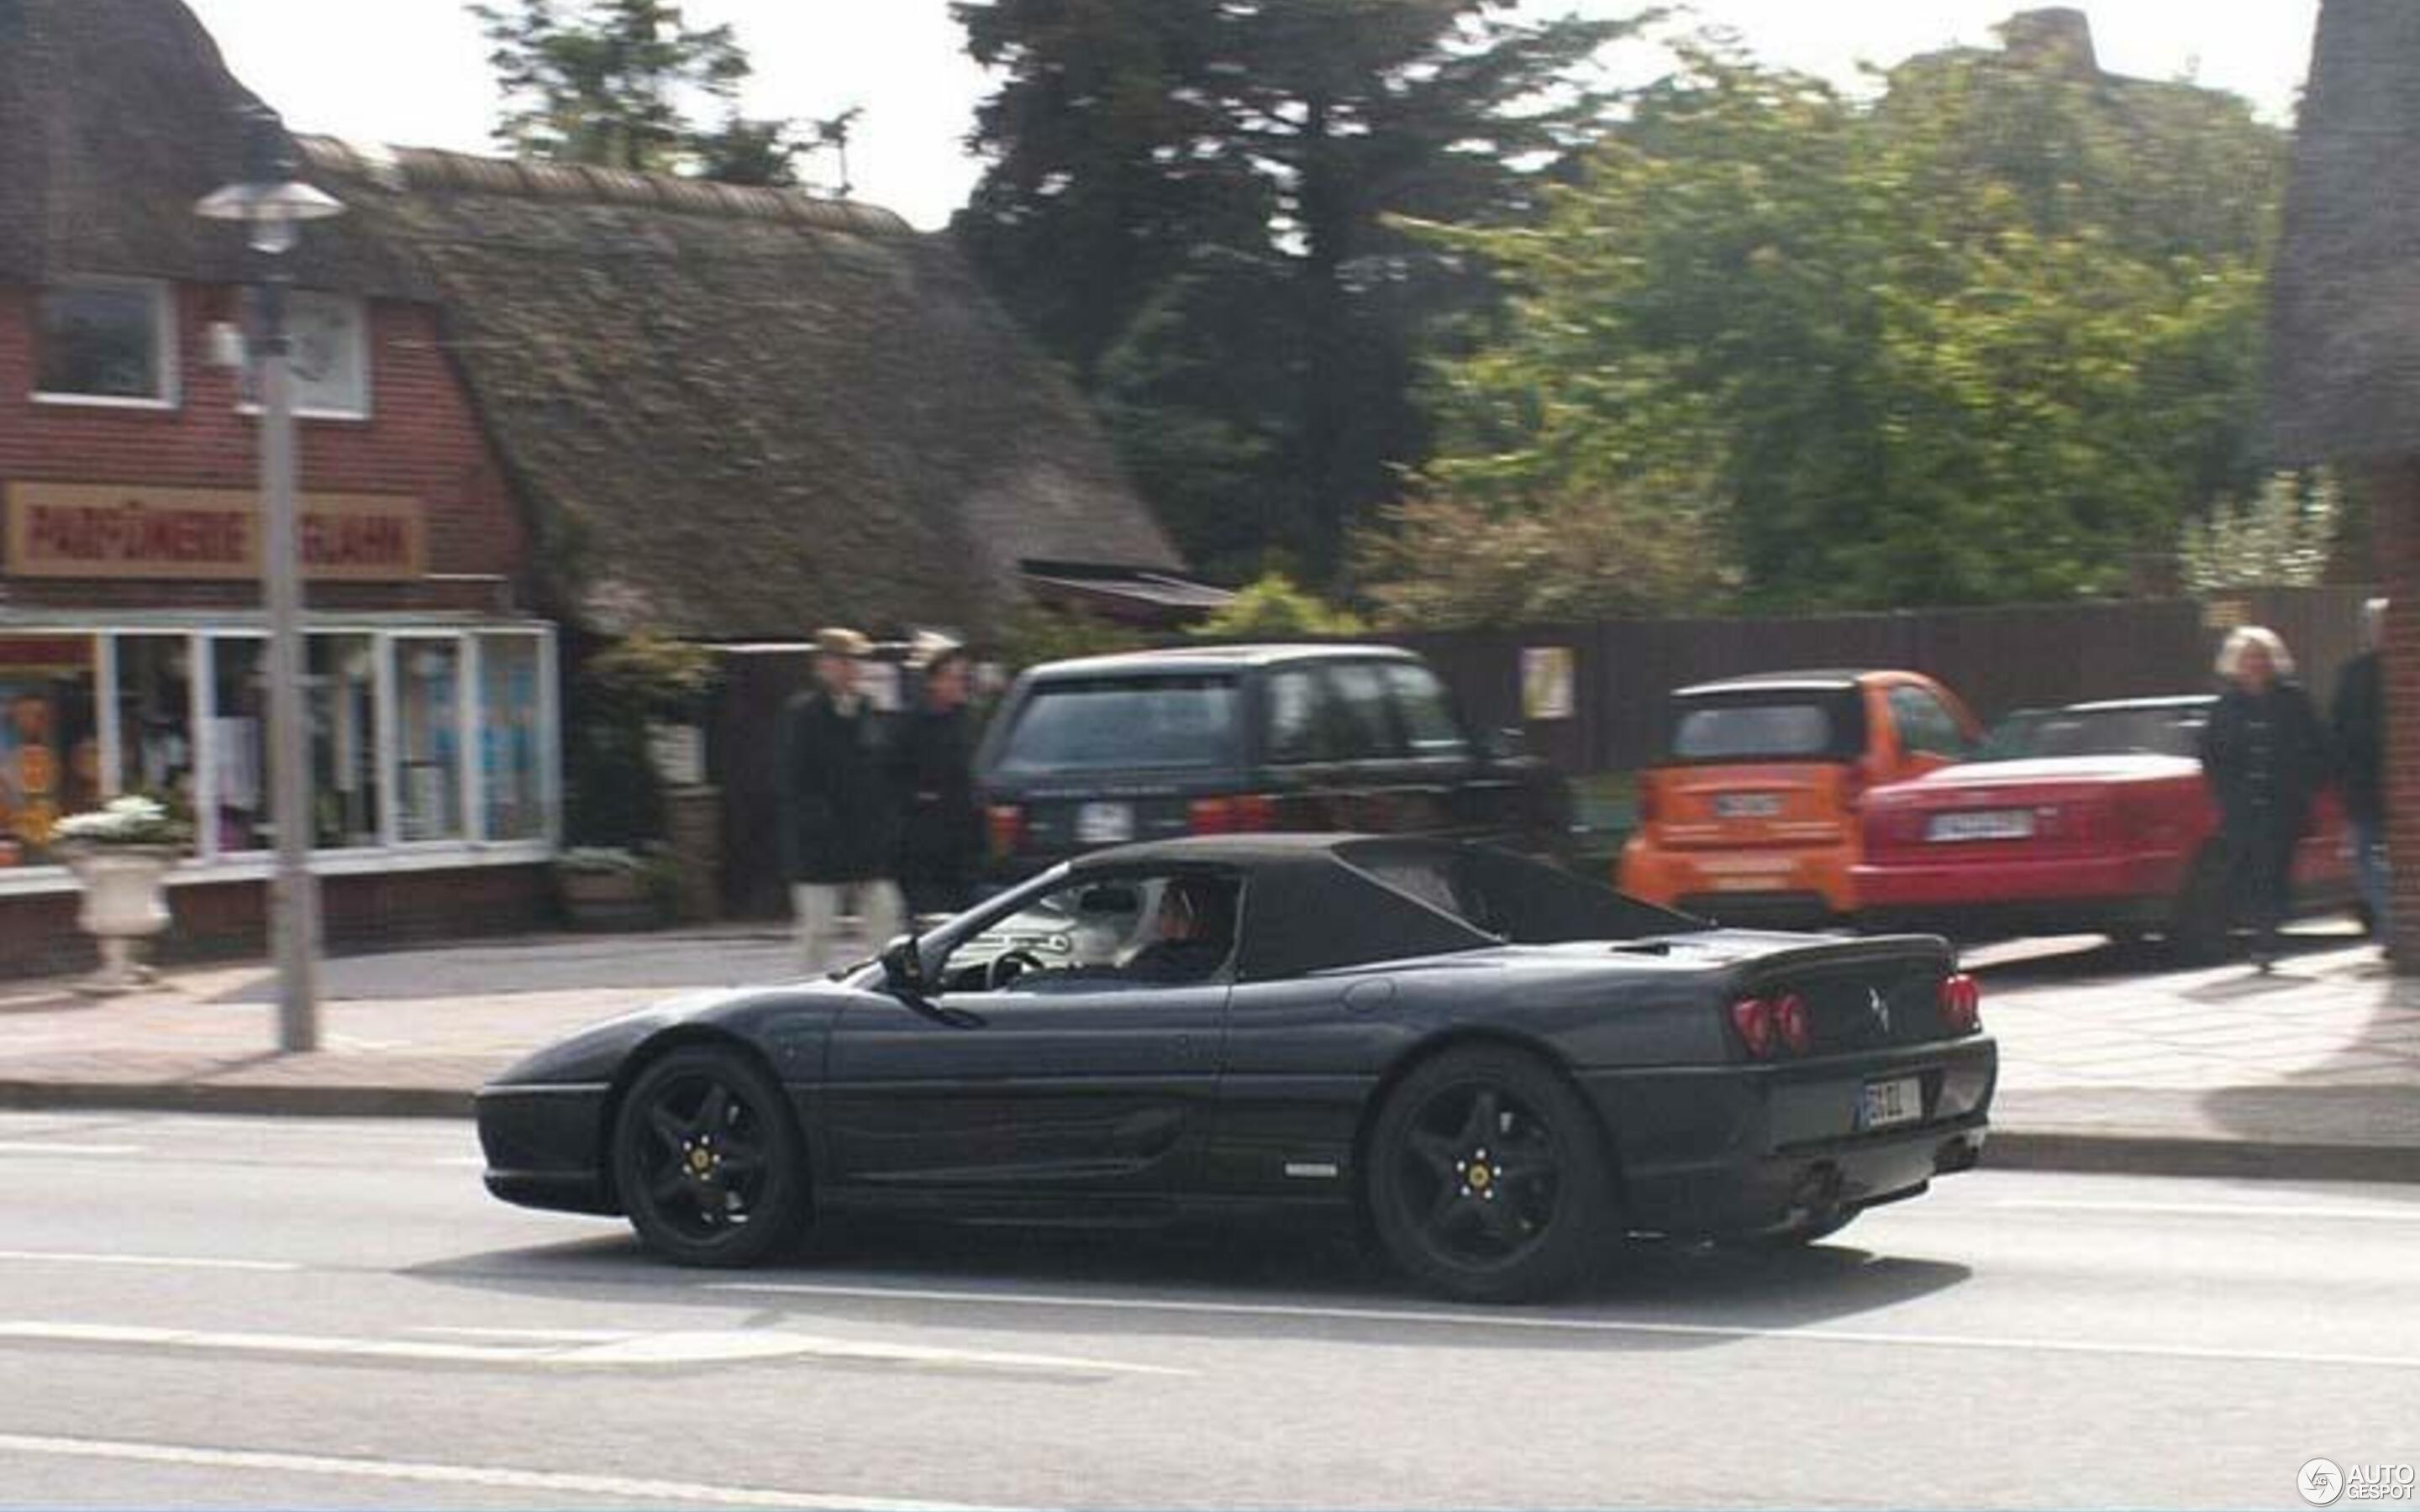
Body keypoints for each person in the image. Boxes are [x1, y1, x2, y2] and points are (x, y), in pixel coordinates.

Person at [2200, 626, 2332, 971]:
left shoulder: (2293, 699)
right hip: (2243, 806)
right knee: (2248, 871)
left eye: (2261, 657)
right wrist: (2225, 794)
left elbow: (2316, 745)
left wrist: (2307, 783)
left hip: (2282, 804)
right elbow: (2211, 755)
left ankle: (2267, 939)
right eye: (2247, 658)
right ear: (2235, 663)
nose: (2255, 664)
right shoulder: (2225, 706)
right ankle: (2261, 933)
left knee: (2275, 870)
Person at [781, 627, 902, 974]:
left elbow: (878, 772)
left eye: (856, 662)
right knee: (817, 931)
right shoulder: (803, 715)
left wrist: (882, 826)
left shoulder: (867, 711)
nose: (853, 669)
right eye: (844, 661)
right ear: (824, 665)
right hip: (818, 845)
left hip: (865, 841)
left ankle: (887, 988)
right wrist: (819, 823)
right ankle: (803, 996)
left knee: (885, 918)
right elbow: (794, 780)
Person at [891, 638, 984, 921]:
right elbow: (893, 777)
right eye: (952, 678)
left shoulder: (965, 720)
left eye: (963, 678)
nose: (959, 685)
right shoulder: (911, 724)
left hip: (962, 846)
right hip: (922, 848)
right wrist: (920, 798)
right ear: (933, 682)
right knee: (927, 926)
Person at [1122, 876, 1236, 984]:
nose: (1156, 923)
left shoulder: (1165, 965)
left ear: (1187, 917)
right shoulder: (1226, 960)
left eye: (1163, 912)